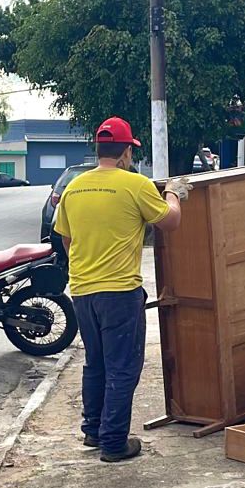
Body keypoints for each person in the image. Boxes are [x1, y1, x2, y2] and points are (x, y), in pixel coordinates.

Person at [53, 117, 187, 463]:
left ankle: (93, 431)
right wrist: (173, 193)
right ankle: (114, 442)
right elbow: (171, 222)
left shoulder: (74, 188)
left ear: (99, 150)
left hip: (82, 291)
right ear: (127, 152)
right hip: (119, 292)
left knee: (95, 363)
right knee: (123, 367)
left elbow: (66, 239)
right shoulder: (135, 185)